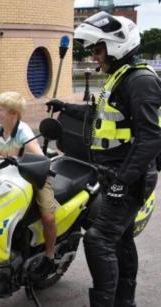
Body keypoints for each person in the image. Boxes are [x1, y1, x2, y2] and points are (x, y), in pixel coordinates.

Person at [47, 11, 161, 307]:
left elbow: (151, 138)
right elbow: (98, 116)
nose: (94, 55)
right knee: (121, 239)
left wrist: (123, 181)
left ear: (117, 45)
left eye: (98, 49)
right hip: (113, 172)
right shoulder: (119, 78)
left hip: (129, 175)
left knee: (99, 240)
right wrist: (65, 108)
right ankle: (125, 302)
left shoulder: (140, 81)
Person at [0, 91, 59, 278]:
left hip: (35, 174)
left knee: (48, 217)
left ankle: (50, 256)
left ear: (14, 114)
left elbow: (39, 157)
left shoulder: (23, 131)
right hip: (8, 177)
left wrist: (17, 158)